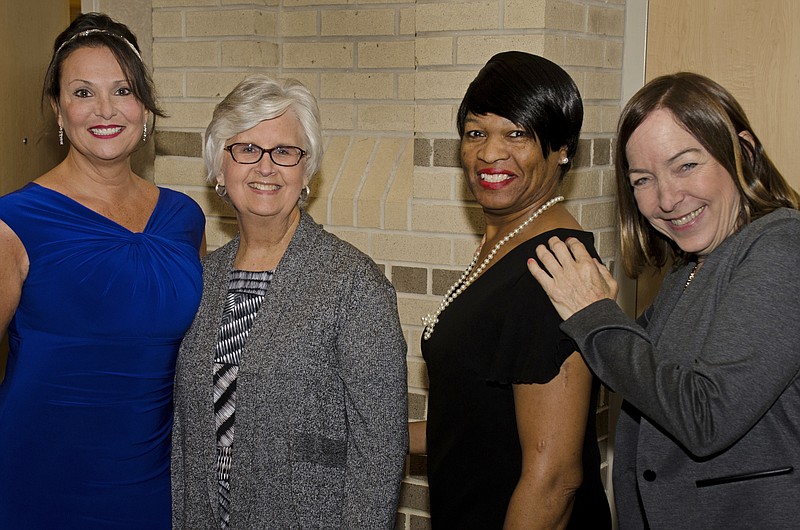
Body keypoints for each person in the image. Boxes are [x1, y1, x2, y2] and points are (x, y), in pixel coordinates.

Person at [528, 72, 800, 528]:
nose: (668, 198)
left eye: (686, 165)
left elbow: (704, 416)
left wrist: (596, 317)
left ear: (744, 154)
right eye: (643, 180)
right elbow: (648, 381)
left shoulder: (782, 246)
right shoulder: (689, 269)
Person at [171, 74, 408, 529]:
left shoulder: (352, 284)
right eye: (246, 149)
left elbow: (378, 450)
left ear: (306, 171)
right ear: (220, 168)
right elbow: (185, 433)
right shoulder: (200, 279)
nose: (266, 167)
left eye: (284, 152)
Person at [0, 12, 205, 530]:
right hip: (38, 475)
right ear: (58, 110)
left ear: (145, 106)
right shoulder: (15, 221)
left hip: (154, 476)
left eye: (122, 90)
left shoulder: (185, 218)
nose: (106, 110)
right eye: (83, 93)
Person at [409, 51, 611, 528]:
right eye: (476, 132)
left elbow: (555, 480)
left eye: (516, 133)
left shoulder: (554, 266)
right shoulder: (504, 244)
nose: (489, 153)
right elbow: (476, 425)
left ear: (562, 148)